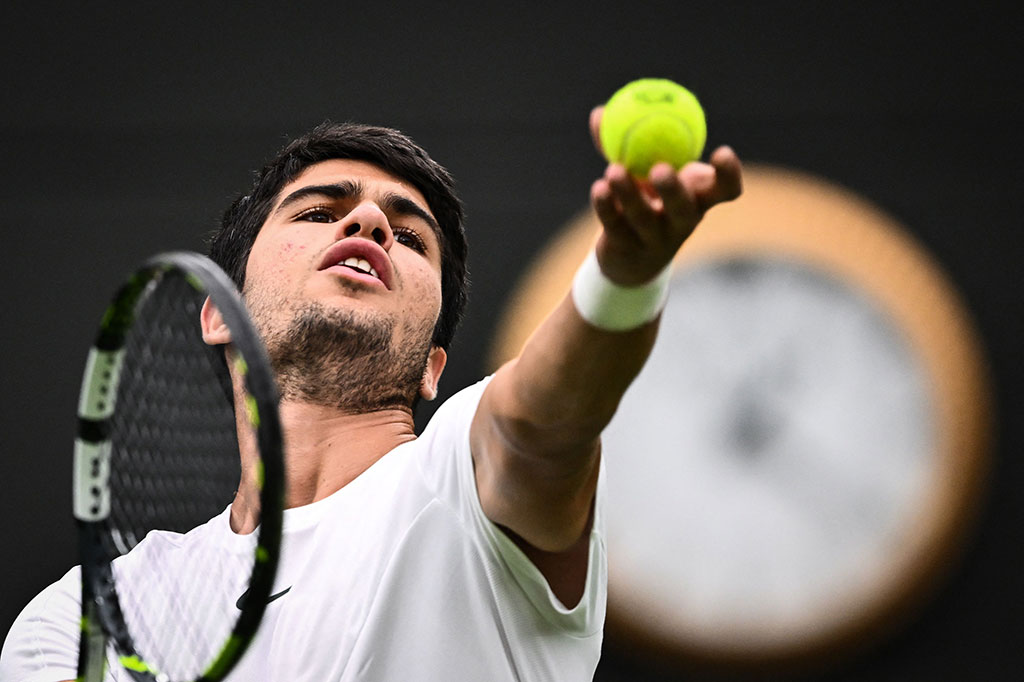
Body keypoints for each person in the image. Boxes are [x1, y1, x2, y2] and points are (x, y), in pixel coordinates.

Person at [1, 110, 742, 681]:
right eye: (319, 212)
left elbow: (540, 425)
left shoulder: (463, 484)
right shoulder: (85, 617)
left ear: (433, 367)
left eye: (411, 238)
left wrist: (625, 274)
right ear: (218, 314)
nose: (369, 223)